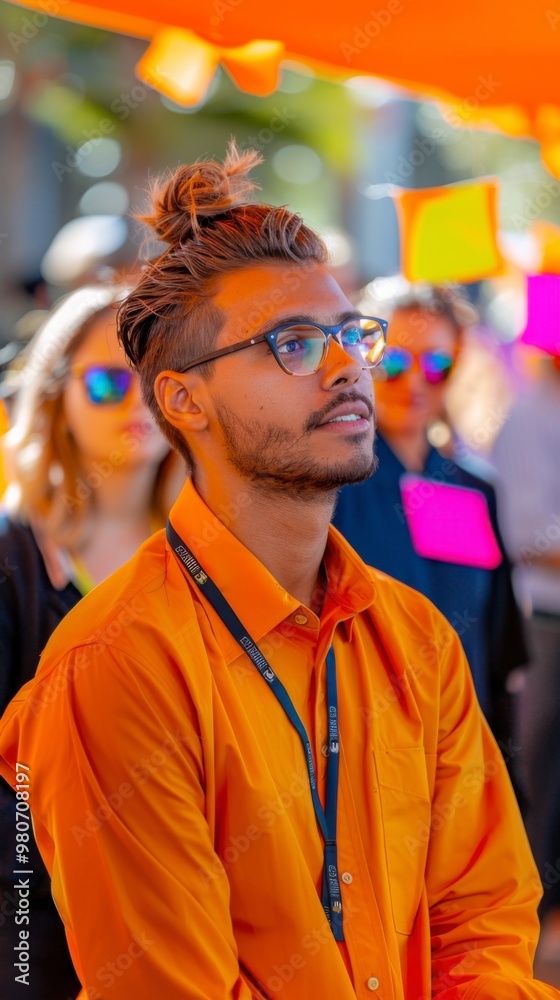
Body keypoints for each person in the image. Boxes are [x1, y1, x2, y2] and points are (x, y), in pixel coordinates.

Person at [0, 145, 557, 1000]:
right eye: (293, 343)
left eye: (350, 335)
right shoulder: (115, 667)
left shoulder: (417, 638)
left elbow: (485, 922)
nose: (348, 366)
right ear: (184, 400)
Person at [0, 284, 178, 1000]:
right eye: (107, 382)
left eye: (156, 383)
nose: (136, 404)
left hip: (179, 901)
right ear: (55, 398)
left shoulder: (211, 552)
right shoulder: (12, 554)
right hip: (34, 911)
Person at [332, 285, 528, 758]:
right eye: (395, 362)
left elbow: (497, 646)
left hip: (461, 752)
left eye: (437, 364)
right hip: (367, 751)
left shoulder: (473, 490)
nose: (416, 381)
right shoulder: (330, 486)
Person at [490, 348, 560, 956]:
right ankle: (529, 918)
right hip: (544, 619)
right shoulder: (529, 414)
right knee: (536, 768)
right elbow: (528, 533)